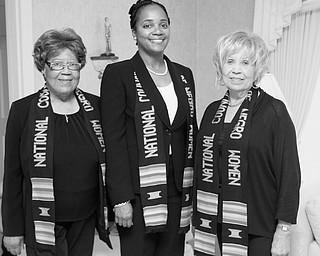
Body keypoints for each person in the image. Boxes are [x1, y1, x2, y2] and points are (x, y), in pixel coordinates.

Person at [1, 28, 111, 256]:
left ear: (80, 66)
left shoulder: (97, 107)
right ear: (43, 68)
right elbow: (12, 176)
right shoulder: (23, 111)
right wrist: (11, 229)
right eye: (57, 64)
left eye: (72, 64)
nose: (66, 72)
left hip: (85, 219)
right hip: (42, 221)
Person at [100, 1, 197, 255]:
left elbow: (190, 134)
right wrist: (120, 199)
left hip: (177, 192)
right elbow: (114, 140)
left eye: (163, 24)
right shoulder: (118, 74)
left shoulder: (184, 75)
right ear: (134, 33)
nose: (157, 30)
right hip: (137, 195)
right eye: (148, 25)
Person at [193, 31, 301, 256]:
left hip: (259, 224)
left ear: (257, 68)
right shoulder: (212, 111)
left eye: (245, 63)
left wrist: (284, 230)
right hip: (215, 221)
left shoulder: (274, 111)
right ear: (220, 66)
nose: (236, 70)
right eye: (230, 61)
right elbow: (200, 166)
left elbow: (289, 174)